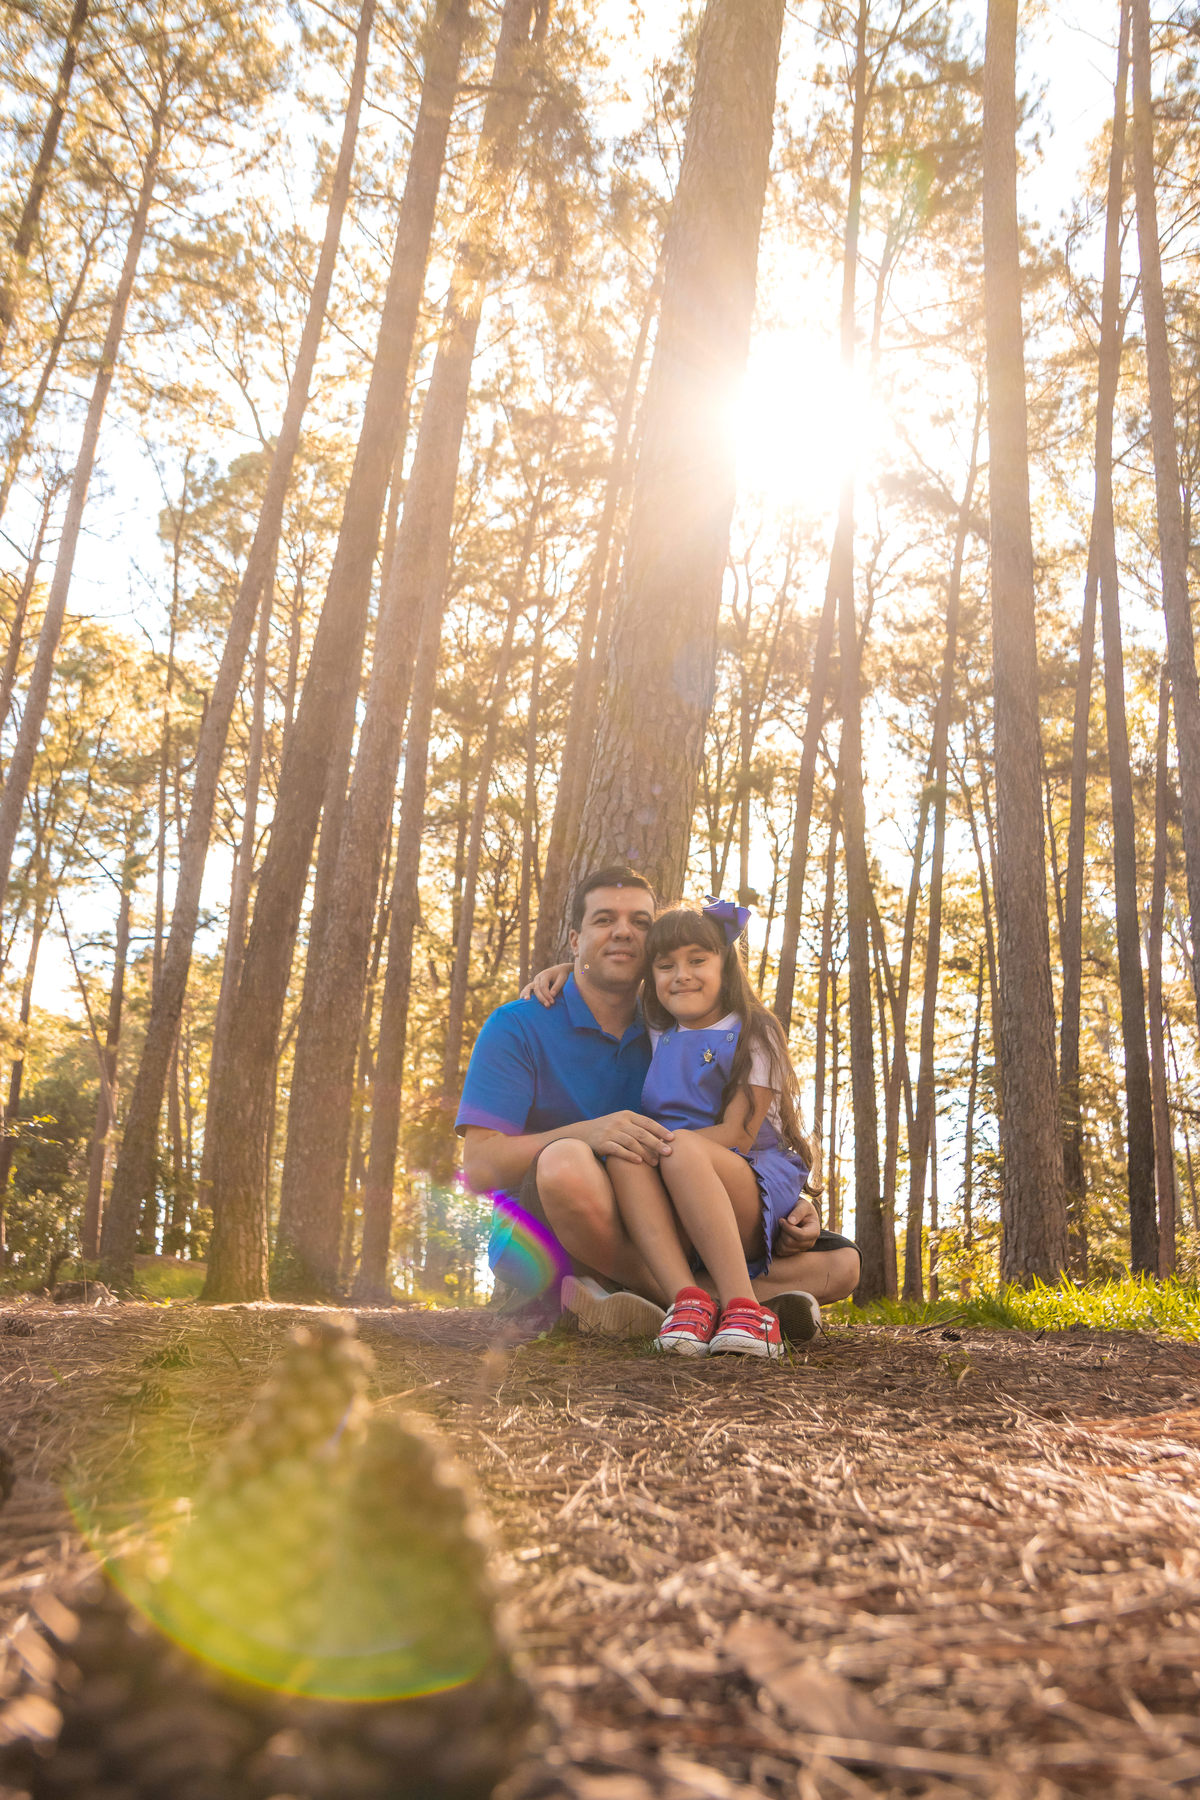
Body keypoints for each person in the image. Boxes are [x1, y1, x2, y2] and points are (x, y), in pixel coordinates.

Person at [456, 866, 860, 1340]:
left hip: (675, 1208)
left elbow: (733, 1137)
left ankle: (677, 1303)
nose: (623, 932)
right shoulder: (519, 1025)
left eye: (640, 923)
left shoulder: (670, 1023)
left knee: (844, 1264)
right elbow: (480, 1166)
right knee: (566, 1161)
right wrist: (585, 1133)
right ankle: (727, 1302)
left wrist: (793, 1209)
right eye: (604, 920)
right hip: (558, 1224)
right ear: (574, 938)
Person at [604, 902, 823, 1359]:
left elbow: (738, 1135)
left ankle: (748, 1309)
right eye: (665, 966)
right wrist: (571, 967)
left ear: (726, 963)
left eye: (697, 960)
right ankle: (689, 1302)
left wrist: (664, 1147)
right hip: (679, 1166)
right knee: (624, 1153)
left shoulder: (753, 1032)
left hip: (751, 1176)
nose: (681, 975)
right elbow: (600, 984)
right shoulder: (660, 1031)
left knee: (671, 1147)